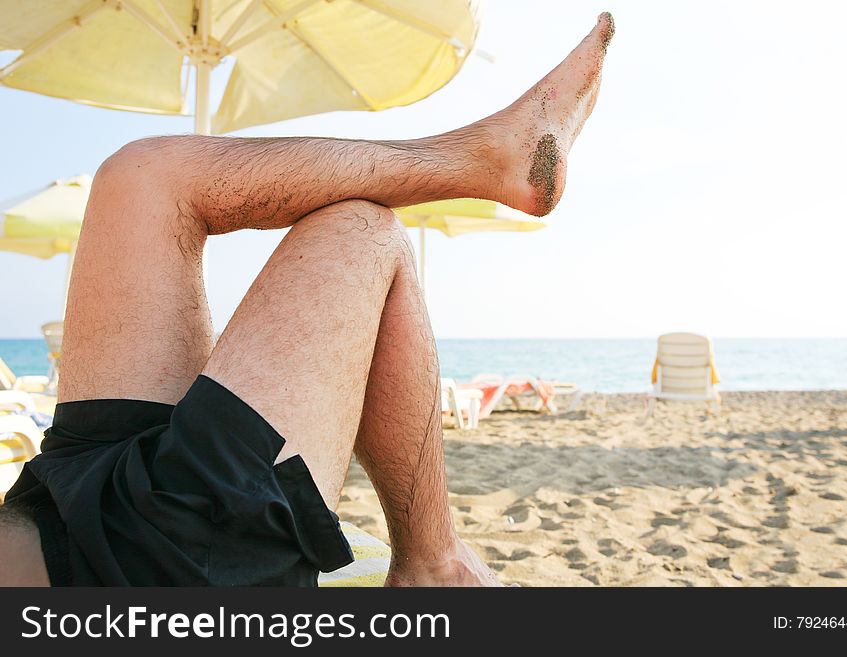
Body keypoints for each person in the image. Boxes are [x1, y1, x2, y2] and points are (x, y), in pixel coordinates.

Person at [0, 13, 615, 586]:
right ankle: (434, 565)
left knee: (142, 174)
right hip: (139, 565)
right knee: (361, 232)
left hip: (57, 488)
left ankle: (481, 157)